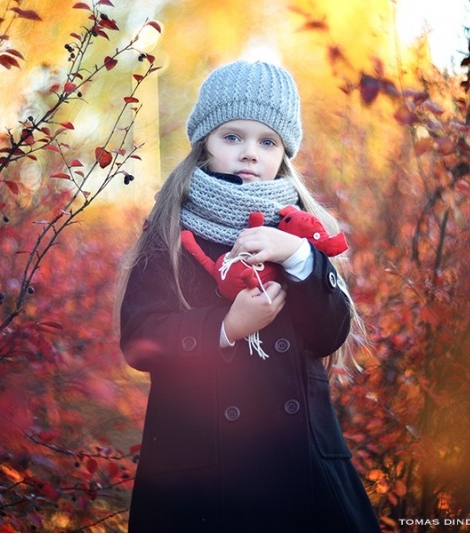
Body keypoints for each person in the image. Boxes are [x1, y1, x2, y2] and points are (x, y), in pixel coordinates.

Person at [117, 60, 380, 533]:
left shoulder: (303, 229)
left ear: (284, 152)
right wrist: (225, 328)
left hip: (301, 464)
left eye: (267, 141)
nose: (250, 153)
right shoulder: (171, 229)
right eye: (232, 137)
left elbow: (329, 333)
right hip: (202, 471)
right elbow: (139, 337)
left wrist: (300, 257)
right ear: (205, 143)